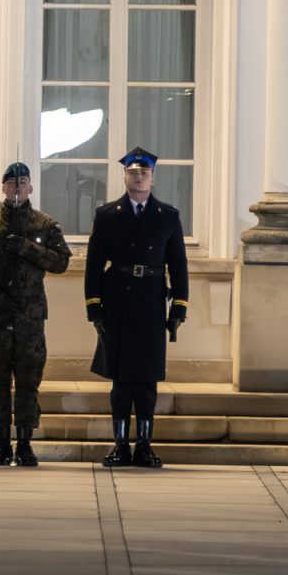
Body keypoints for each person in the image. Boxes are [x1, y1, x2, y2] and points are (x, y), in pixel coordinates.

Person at [84, 146, 189, 468]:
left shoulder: (167, 216)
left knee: (146, 380)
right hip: (117, 303)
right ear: (125, 177)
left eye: (144, 173)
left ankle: (144, 445)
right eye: (133, 173)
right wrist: (94, 306)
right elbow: (94, 265)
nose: (139, 177)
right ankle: (120, 445)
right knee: (120, 381)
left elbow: (179, 266)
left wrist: (179, 308)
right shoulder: (107, 215)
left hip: (151, 303)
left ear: (153, 178)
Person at [0, 161, 72, 466]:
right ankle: (1, 445)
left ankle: (25, 444)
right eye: (11, 183)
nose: (17, 188)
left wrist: (26, 247)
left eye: (22, 182)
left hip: (30, 318)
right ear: (4, 187)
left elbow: (61, 262)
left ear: (30, 187)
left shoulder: (45, 225)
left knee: (28, 383)